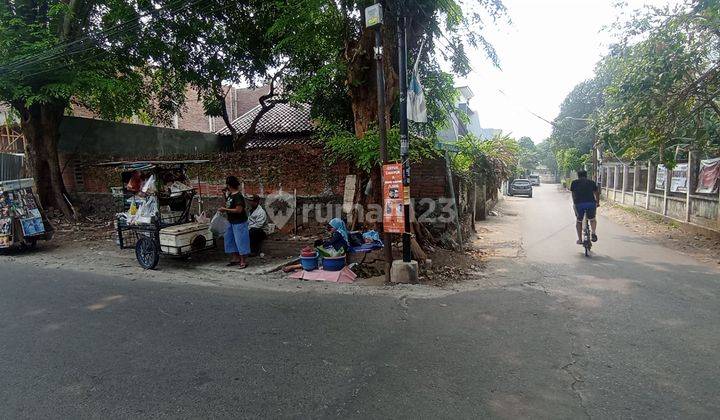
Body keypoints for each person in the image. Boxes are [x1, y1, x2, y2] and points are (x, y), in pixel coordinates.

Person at [218, 176, 250, 268]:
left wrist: (225, 209)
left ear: (229, 185)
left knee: (241, 241)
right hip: (231, 221)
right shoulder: (230, 195)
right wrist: (224, 195)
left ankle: (243, 260)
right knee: (230, 240)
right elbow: (226, 204)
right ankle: (235, 258)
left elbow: (238, 210)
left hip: (239, 222)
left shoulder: (238, 196)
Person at [570, 169, 600, 245]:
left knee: (579, 221)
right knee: (592, 219)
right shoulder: (591, 182)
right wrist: (597, 202)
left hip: (579, 204)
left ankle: (580, 239)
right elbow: (597, 193)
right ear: (586, 175)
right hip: (591, 203)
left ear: (578, 176)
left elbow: (573, 194)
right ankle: (593, 232)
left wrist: (575, 203)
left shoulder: (574, 183)